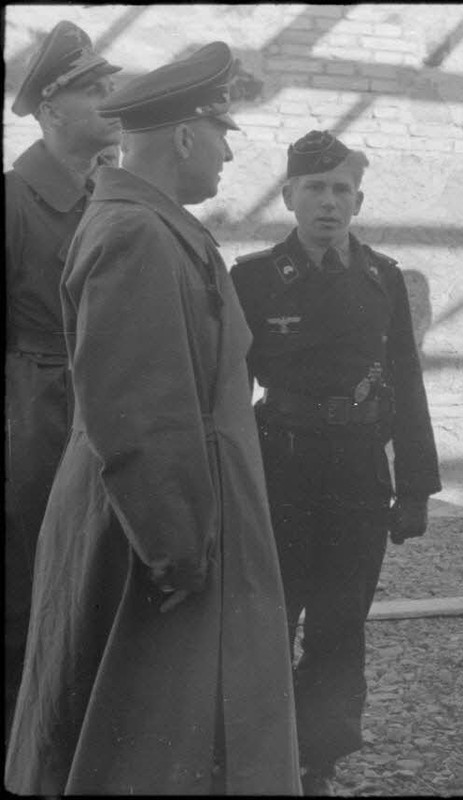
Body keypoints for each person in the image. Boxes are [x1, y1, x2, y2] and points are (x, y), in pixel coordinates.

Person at [3, 42, 302, 795]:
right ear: (185, 137)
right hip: (155, 530)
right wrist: (175, 548)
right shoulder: (136, 234)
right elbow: (140, 413)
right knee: (143, 737)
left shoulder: (153, 225)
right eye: (224, 135)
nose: (230, 155)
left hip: (180, 510)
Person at [230, 130, 442, 794]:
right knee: (271, 613)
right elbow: (230, 390)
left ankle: (317, 760)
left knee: (340, 620)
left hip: (357, 472)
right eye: (315, 189)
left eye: (341, 190)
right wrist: (227, 484)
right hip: (280, 466)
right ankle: (257, 754)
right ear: (289, 195)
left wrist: (414, 487)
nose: (329, 203)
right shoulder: (253, 278)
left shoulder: (383, 278)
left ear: (358, 199)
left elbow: (406, 381)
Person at [4, 20, 122, 747]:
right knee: (30, 593)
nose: (111, 98)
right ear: (51, 111)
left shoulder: (113, 196)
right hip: (35, 424)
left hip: (105, 414)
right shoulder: (14, 202)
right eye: (93, 89)